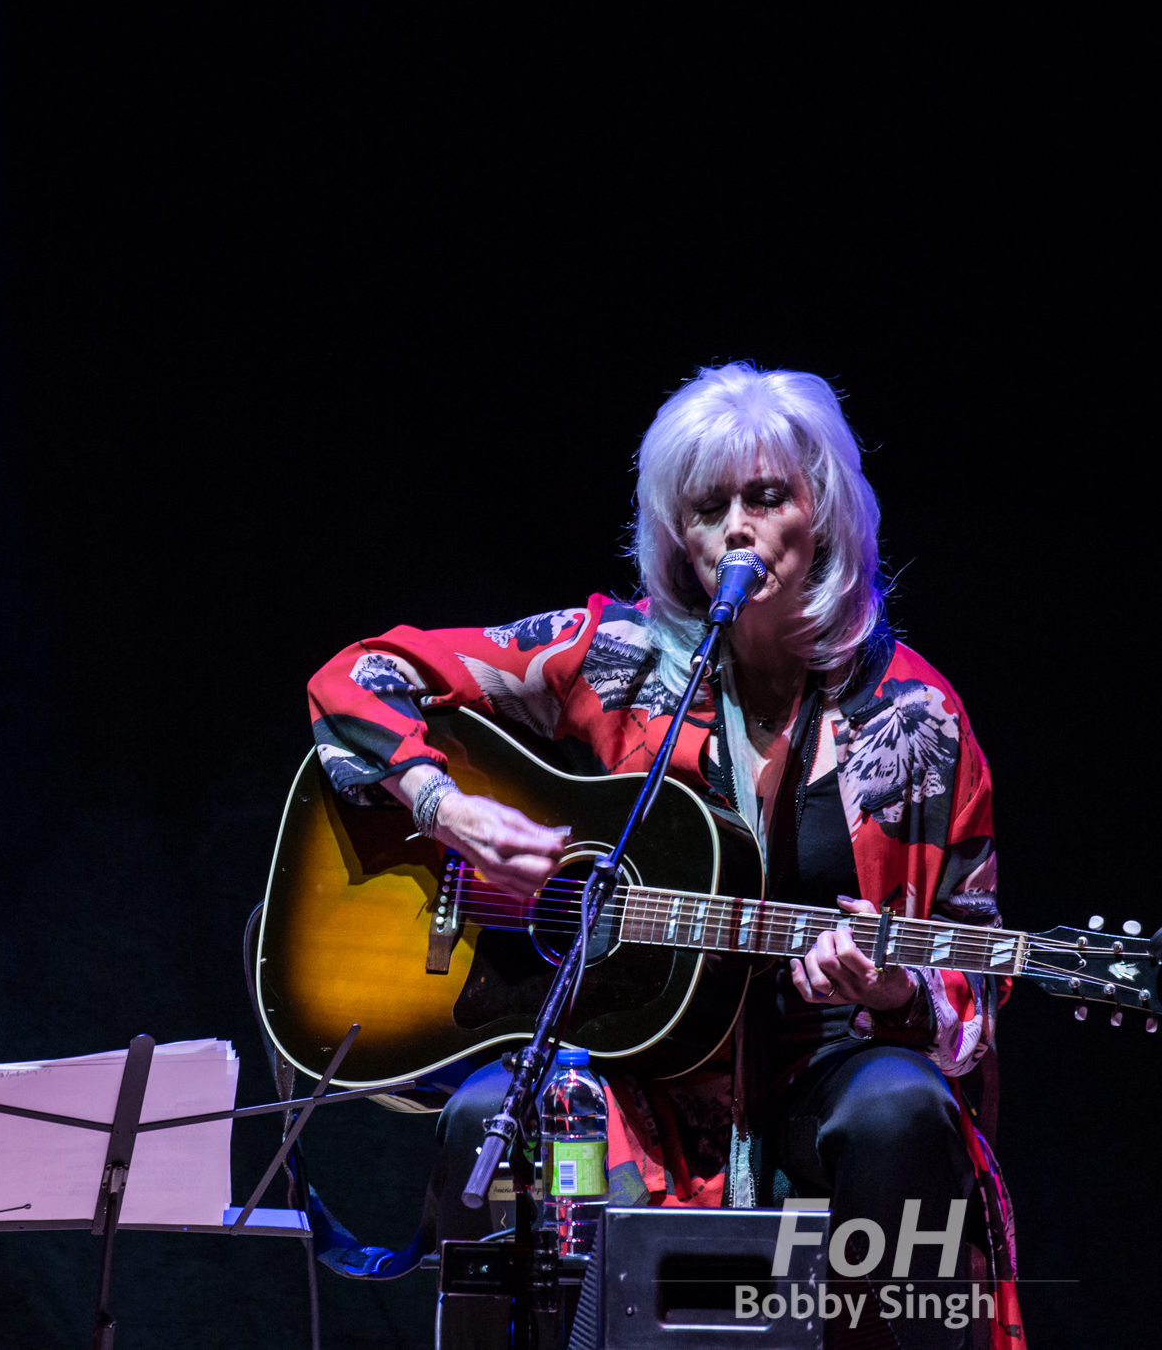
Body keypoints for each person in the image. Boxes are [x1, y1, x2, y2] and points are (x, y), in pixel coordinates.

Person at [304, 363, 1018, 1350]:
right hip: (629, 1079)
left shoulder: (917, 722)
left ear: (825, 516)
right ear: (678, 535)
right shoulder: (612, 657)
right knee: (486, 1119)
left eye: (765, 496)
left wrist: (895, 993)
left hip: (823, 1084)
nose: (735, 526)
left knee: (902, 1112)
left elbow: (970, 980)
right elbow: (356, 678)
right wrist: (442, 805)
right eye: (706, 506)